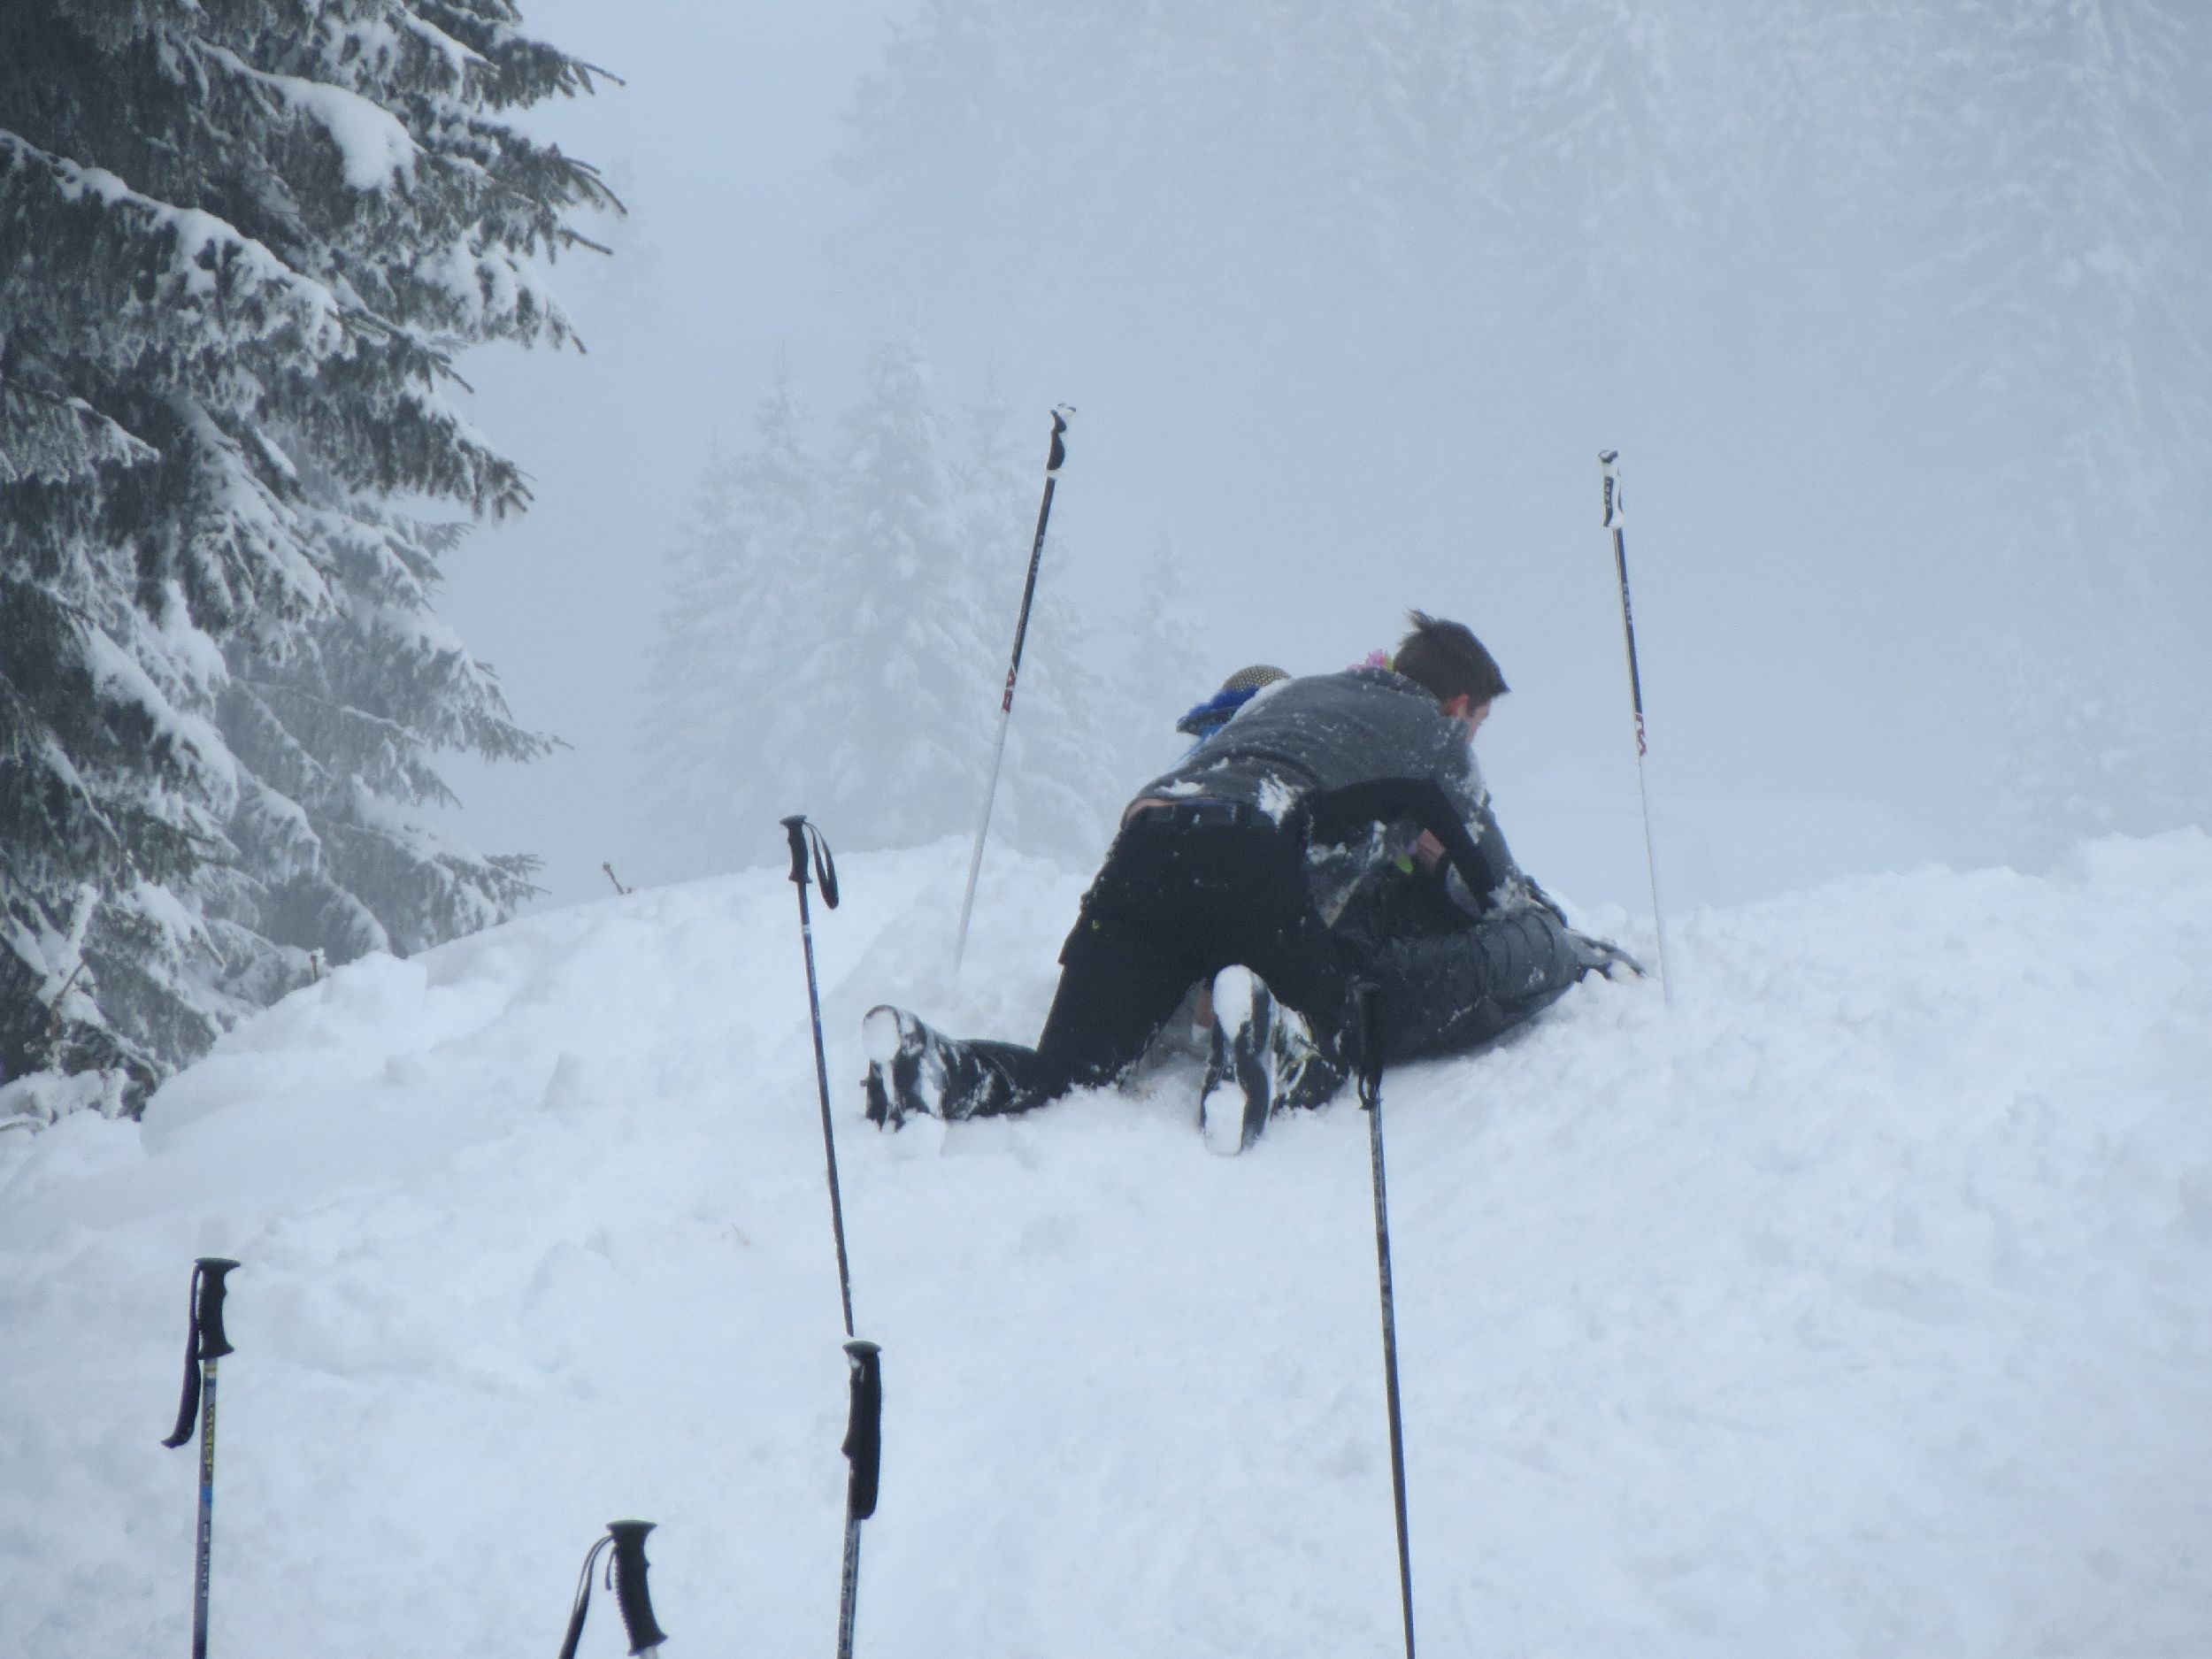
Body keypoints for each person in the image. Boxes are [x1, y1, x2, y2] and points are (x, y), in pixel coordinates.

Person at [864, 611, 1629, 1152]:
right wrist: (1564, 945)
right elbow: (1494, 889)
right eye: (1480, 721)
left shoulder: (1295, 694)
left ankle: (939, 1070)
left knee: (1071, 1071)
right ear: (1460, 705)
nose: (1474, 736)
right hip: (1247, 850)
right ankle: (1271, 1046)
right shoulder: (1437, 737)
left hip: (1147, 842)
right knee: (1346, 1022)